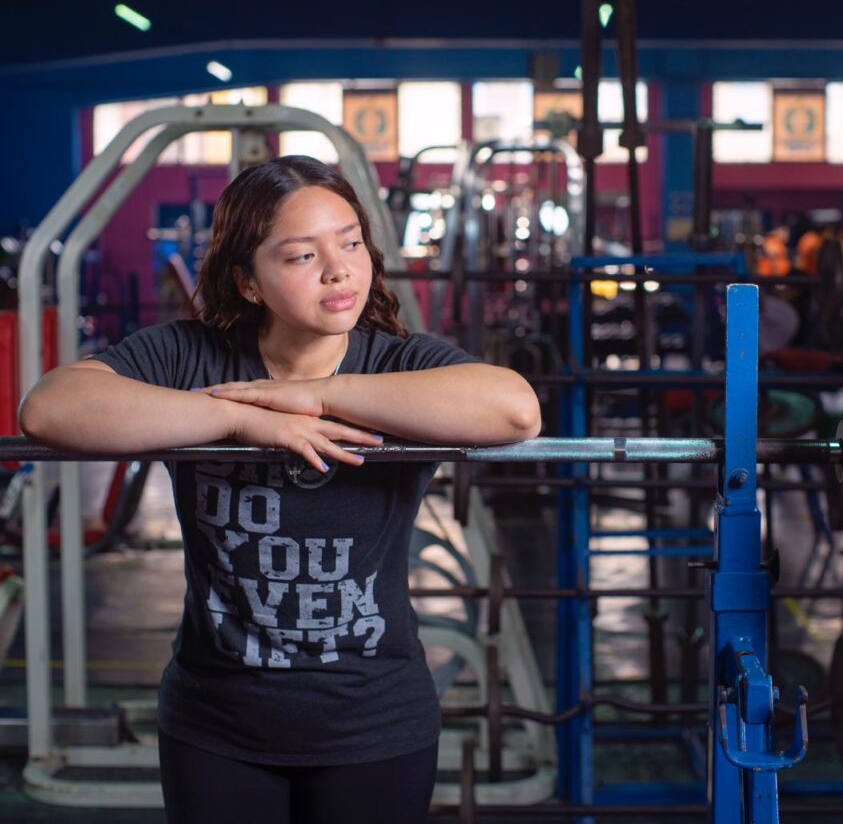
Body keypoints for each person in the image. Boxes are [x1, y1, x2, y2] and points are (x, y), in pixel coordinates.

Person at [18, 156, 542, 824]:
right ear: (249, 280)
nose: (339, 268)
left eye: (351, 242)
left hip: (374, 724)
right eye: (301, 255)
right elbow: (50, 408)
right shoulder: (196, 357)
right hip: (218, 728)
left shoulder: (398, 363)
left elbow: (515, 409)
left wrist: (316, 397)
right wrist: (238, 416)